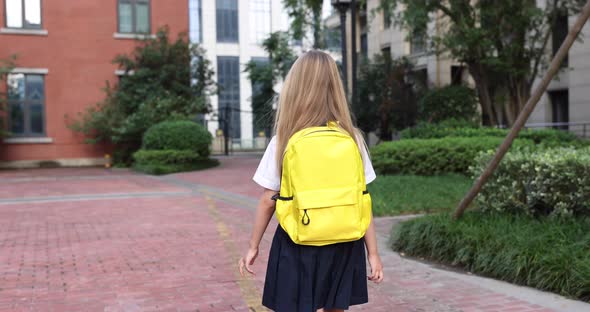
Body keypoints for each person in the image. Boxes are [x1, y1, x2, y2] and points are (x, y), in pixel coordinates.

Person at [238, 50, 383, 312]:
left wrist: (253, 246)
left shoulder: (283, 140)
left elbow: (267, 201)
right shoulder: (353, 139)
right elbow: (363, 200)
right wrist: (372, 253)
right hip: (344, 239)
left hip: (298, 239)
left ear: (295, 88)